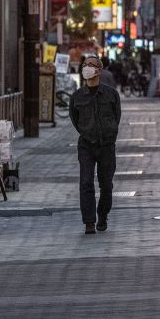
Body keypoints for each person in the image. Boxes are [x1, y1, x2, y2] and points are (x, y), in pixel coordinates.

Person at [69, 56, 122, 234]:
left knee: (106, 184)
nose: (87, 68)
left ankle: (103, 214)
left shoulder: (111, 94)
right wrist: (87, 131)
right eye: (85, 65)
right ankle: (89, 221)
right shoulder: (77, 96)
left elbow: (117, 116)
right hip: (86, 145)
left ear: (99, 70)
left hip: (107, 145)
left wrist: (109, 132)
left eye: (92, 65)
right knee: (86, 182)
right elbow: (75, 120)